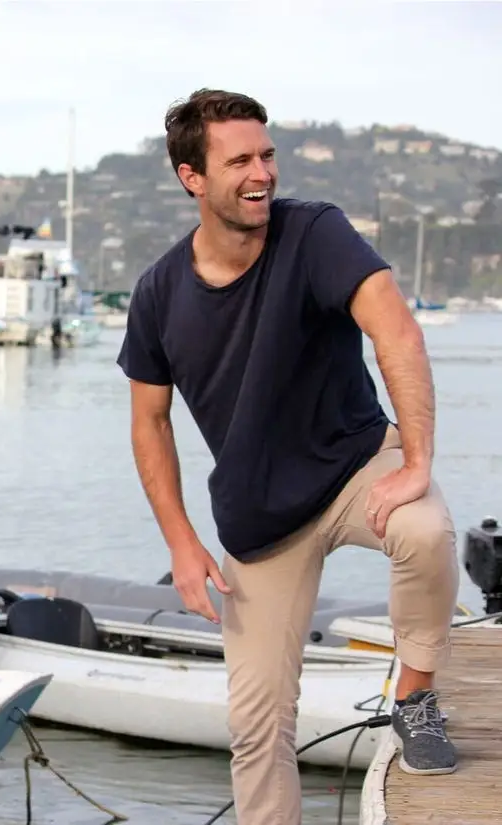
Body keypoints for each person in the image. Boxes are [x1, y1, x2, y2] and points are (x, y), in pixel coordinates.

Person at [117, 88, 460, 824]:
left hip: (357, 465)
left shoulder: (316, 233)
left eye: (267, 154)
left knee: (427, 530)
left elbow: (397, 333)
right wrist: (181, 543)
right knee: (256, 729)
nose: (261, 172)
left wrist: (417, 460)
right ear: (192, 178)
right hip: (260, 515)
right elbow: (150, 419)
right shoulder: (157, 292)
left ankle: (416, 699)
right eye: (239, 159)